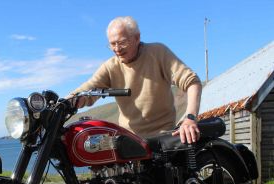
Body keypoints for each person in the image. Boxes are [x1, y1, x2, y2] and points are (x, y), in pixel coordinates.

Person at [69, 16, 202, 144]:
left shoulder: (158, 52)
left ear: (137, 38)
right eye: (112, 44)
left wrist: (190, 118)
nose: (117, 49)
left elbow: (192, 81)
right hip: (129, 140)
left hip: (164, 136)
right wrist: (68, 100)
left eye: (122, 42)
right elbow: (89, 87)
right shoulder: (110, 67)